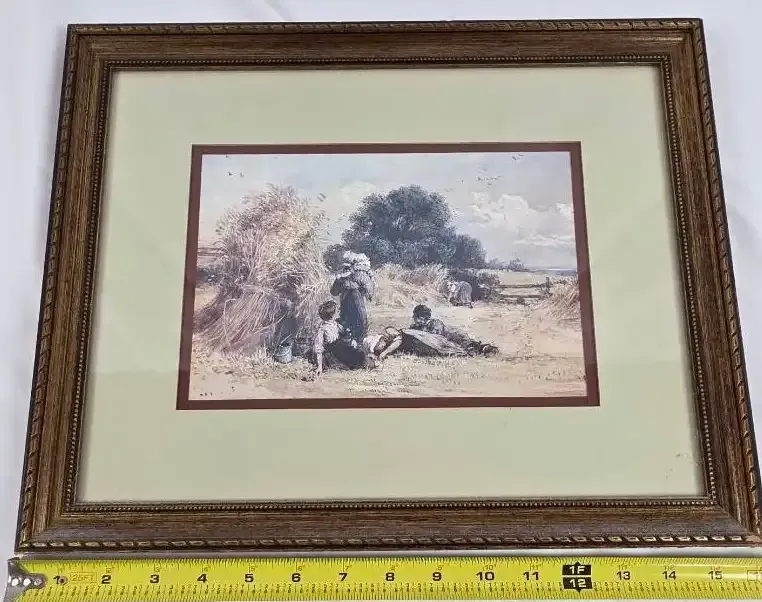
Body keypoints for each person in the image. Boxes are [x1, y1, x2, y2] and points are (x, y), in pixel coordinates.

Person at [307, 300, 371, 375]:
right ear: (332, 314)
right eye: (337, 311)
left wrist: (350, 339)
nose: (339, 311)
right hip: (333, 354)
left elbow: (345, 335)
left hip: (341, 350)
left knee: (359, 356)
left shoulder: (336, 324)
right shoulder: (322, 328)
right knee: (352, 360)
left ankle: (366, 361)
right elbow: (318, 347)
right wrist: (319, 366)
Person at [409, 304, 498, 356]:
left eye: (415, 316)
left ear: (423, 318)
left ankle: (486, 348)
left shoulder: (435, 323)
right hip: (448, 341)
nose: (413, 318)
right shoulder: (416, 326)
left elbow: (435, 338)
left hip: (455, 337)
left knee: (470, 349)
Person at [330, 252, 374, 344]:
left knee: (359, 322)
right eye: (345, 267)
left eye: (348, 267)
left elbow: (369, 289)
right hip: (347, 303)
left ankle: (358, 340)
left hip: (357, 303)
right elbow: (334, 291)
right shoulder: (342, 278)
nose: (347, 269)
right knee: (347, 323)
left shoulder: (360, 275)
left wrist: (363, 291)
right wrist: (339, 281)